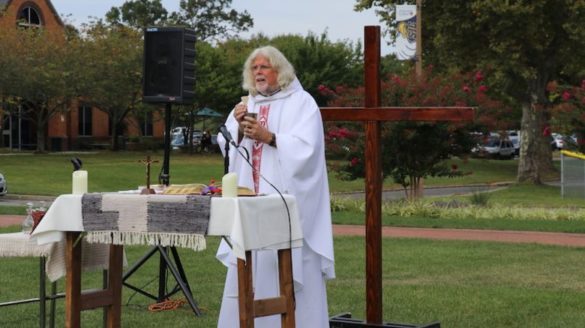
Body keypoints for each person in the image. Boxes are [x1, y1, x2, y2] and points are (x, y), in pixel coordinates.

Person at [216, 45, 335, 327]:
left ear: (279, 71)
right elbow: (226, 144)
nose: (258, 73)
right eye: (254, 68)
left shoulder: (302, 103)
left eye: (264, 67)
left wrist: (270, 137)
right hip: (250, 203)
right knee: (248, 266)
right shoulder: (249, 104)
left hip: (286, 207)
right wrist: (235, 127)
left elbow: (308, 149)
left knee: (286, 269)